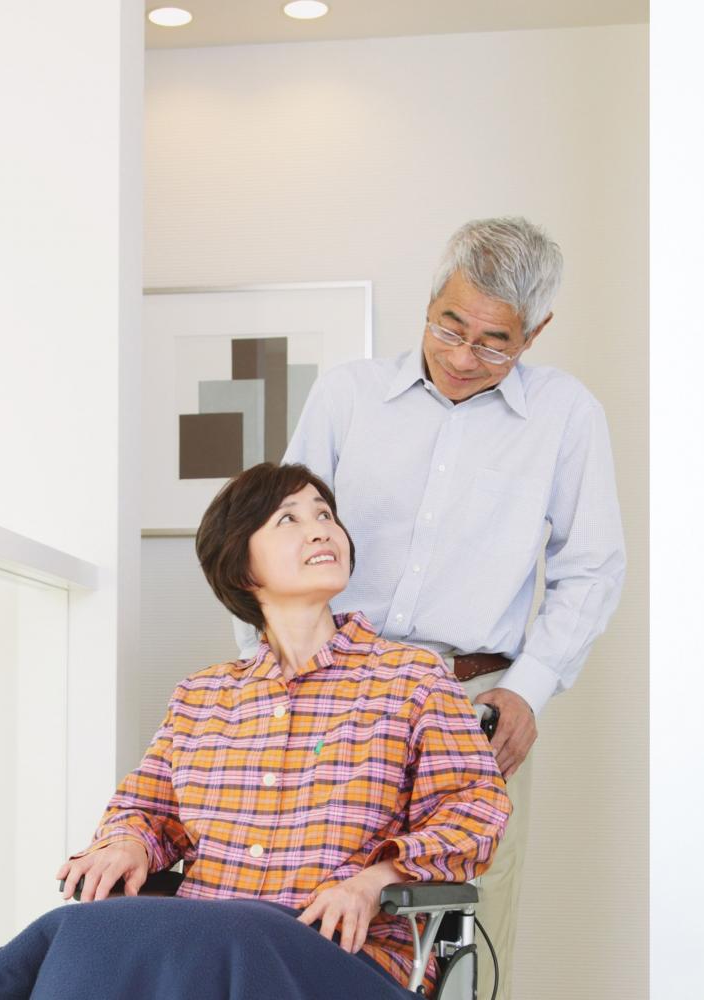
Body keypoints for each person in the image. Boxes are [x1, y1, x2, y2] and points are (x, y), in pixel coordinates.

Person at [0, 463, 508, 999]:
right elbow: (145, 811)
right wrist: (127, 846)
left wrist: (375, 881)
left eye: (325, 514)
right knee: (86, 930)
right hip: (208, 952)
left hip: (346, 956)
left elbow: (475, 810)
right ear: (241, 567)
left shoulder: (410, 677)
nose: (320, 528)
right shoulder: (201, 697)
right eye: (288, 519)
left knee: (240, 931)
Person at [280, 216, 625, 990]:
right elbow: (274, 544)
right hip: (333, 690)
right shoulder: (349, 396)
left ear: (535, 333)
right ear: (430, 299)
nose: (465, 357)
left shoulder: (567, 417)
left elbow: (594, 567)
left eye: (495, 342)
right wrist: (273, 674)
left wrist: (528, 688)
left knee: (463, 930)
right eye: (451, 326)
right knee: (318, 904)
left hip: (471, 706)